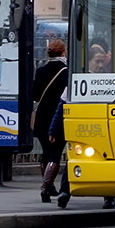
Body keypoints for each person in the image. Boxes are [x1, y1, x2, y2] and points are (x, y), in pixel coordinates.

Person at [33, 39, 68, 202]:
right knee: (55, 154)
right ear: (63, 52)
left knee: (46, 152)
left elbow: (35, 95)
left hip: (42, 117)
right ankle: (46, 188)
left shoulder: (41, 71)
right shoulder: (66, 71)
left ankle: (49, 186)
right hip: (58, 116)